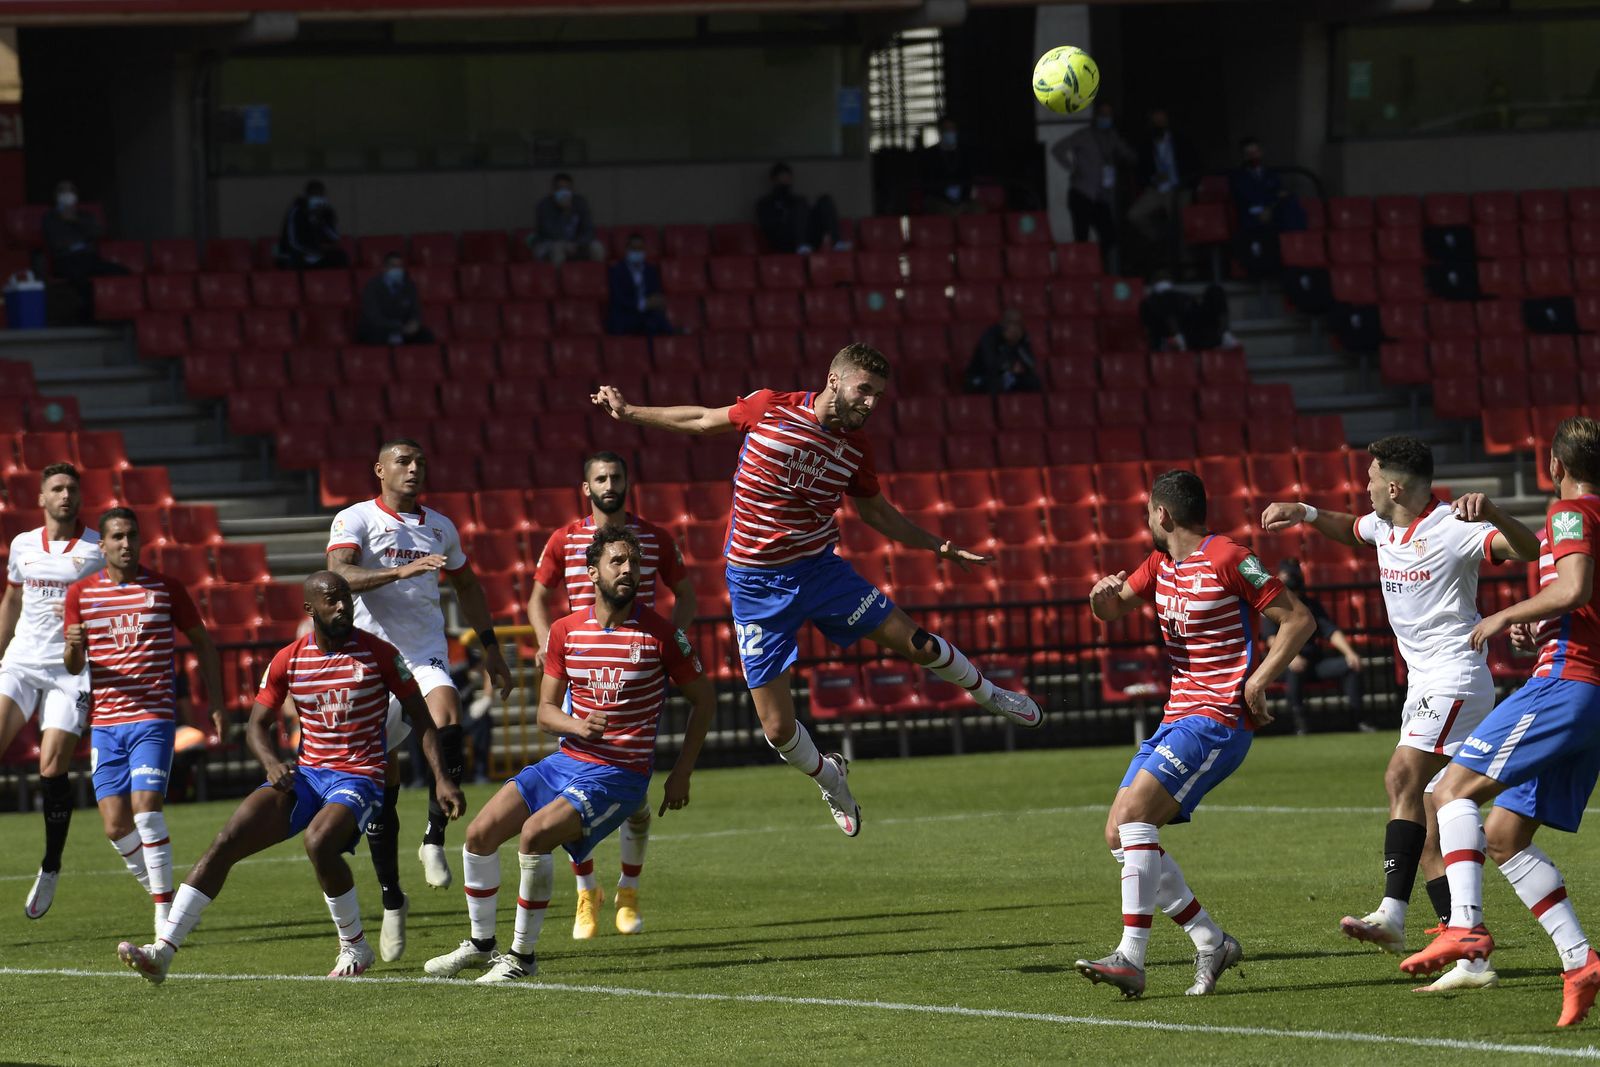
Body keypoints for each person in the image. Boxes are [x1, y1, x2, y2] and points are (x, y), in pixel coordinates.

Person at [590, 343, 1043, 838]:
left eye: (879, 396)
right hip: (755, 583)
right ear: (834, 379)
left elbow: (876, 512)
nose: (871, 403)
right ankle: (831, 777)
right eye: (864, 390)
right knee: (778, 730)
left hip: (819, 572)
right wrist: (630, 412)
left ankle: (994, 695)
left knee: (916, 643)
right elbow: (702, 419)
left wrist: (940, 546)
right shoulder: (771, 407)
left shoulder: (855, 448)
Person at [1261, 435, 1539, 993]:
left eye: (1370, 477)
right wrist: (1307, 513)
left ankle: (1393, 914)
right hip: (1425, 685)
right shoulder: (1383, 525)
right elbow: (1350, 528)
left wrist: (1496, 512)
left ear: (1394, 486)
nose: (1363, 485)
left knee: (1400, 776)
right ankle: (1468, 948)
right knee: (1438, 813)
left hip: (1456, 676)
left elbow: (1528, 549)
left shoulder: (1452, 528)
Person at [115, 571, 465, 984]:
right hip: (308, 775)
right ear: (309, 609)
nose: (342, 606)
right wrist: (270, 762)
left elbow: (423, 719)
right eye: (332, 600)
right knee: (227, 840)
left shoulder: (380, 654)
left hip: (360, 776)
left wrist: (441, 778)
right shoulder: (290, 658)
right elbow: (255, 726)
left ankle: (353, 946)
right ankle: (163, 951)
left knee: (318, 842)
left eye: (346, 599)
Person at [424, 527, 715, 983]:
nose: (628, 570)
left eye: (634, 564)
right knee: (479, 834)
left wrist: (682, 774)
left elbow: (706, 701)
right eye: (617, 562)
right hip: (566, 761)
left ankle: (522, 958)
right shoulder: (565, 631)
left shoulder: (661, 634)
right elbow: (544, 712)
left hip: (619, 773)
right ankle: (482, 946)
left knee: (535, 835)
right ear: (592, 571)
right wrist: (576, 724)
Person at [1399, 417, 1600, 1027]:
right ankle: (1580, 961)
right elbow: (1577, 598)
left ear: (1554, 465)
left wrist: (1500, 615)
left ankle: (1463, 929)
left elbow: (1572, 587)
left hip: (1564, 685)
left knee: (1448, 790)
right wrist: (1539, 623)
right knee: (1505, 836)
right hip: (1586, 693)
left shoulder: (1571, 516)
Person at [1083, 472, 1313, 999]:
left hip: (1217, 721)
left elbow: (1297, 621)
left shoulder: (1231, 558)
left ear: (1162, 515)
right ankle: (1211, 940)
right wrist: (1100, 597)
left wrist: (1258, 679)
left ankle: (1131, 958)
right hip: (1177, 717)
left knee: (1136, 818)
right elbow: (1113, 609)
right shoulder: (1158, 564)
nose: (1147, 520)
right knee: (1119, 834)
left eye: (1147, 512)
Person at [326, 438, 512, 961]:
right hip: (369, 661)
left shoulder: (441, 526)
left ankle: (433, 838)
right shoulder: (356, 519)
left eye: (420, 462)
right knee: (381, 781)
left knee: (446, 709)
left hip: (423, 652)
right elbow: (340, 575)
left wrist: (492, 649)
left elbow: (469, 587)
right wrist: (399, 571)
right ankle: (391, 899)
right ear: (379, 468)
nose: (413, 469)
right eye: (403, 462)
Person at [526, 450, 695, 938]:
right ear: (586, 487)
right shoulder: (564, 538)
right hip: (582, 679)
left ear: (627, 481)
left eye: (616, 475)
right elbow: (538, 596)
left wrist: (672, 644)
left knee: (635, 801)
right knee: (571, 793)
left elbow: (686, 595)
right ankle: (585, 891)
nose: (609, 483)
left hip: (632, 677)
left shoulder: (655, 537)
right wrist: (544, 642)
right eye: (600, 477)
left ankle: (628, 889)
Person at [62, 508, 223, 939]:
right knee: (115, 825)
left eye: (132, 535)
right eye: (117, 536)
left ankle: (162, 918)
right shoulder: (80, 594)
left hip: (153, 718)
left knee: (146, 811)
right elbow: (74, 664)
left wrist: (218, 703)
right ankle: (167, 898)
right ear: (103, 544)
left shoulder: (166, 589)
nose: (126, 543)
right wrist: (74, 648)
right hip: (105, 722)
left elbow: (204, 644)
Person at [0, 464, 105, 919]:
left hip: (70, 670)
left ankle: (51, 865)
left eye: (72, 489)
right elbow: (11, 601)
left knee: (51, 763)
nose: (65, 495)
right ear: (41, 498)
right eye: (57, 489)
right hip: (22, 662)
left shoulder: (99, 547)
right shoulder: (22, 545)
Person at [1260, 558, 1365, 736]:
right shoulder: (1274, 605)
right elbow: (1271, 640)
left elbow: (1330, 631)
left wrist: (1350, 653)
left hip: (1313, 663)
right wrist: (1290, 657)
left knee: (1350, 666)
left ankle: (1359, 719)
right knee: (1295, 668)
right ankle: (1300, 723)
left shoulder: (1310, 605)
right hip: (1285, 664)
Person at [1050, 102, 1136, 271]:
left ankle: (1101, 267)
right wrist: (1072, 167)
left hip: (1101, 196)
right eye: (1103, 115)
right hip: (1082, 193)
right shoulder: (1083, 135)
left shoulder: (1112, 137)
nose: (1106, 118)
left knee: (1109, 236)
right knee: (1081, 237)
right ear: (1096, 117)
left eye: (1109, 115)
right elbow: (1058, 148)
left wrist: (1130, 157)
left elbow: (1129, 154)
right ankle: (1083, 274)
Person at [1126, 109, 1196, 276]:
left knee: (1183, 223)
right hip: (1157, 189)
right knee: (1135, 215)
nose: (1159, 123)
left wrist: (1187, 183)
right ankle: (1161, 240)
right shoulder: (1145, 143)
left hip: (1180, 188)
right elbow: (1140, 169)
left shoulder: (1181, 140)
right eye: (1155, 120)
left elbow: (1194, 164)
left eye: (1161, 120)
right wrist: (1152, 179)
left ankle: (1188, 266)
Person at [41, 180, 127, 312]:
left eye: (70, 191)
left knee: (120, 272)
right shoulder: (50, 217)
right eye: (62, 191)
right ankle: (90, 312)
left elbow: (98, 232)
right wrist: (76, 235)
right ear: (56, 195)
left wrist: (75, 220)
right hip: (65, 260)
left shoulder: (85, 215)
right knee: (81, 278)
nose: (67, 194)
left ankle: (118, 310)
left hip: (88, 257)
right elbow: (57, 242)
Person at [1228, 137, 1305, 279]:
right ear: (1243, 156)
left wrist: (1270, 205)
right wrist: (1264, 206)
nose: (1253, 156)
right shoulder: (1237, 177)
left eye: (1255, 152)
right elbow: (1245, 198)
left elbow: (1278, 193)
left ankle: (1297, 253)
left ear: (1261, 152)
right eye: (1248, 153)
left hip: (1273, 213)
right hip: (1252, 218)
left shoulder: (1271, 174)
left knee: (1291, 206)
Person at [756, 162, 844, 255]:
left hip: (809, 238)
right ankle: (800, 244)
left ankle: (836, 242)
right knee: (800, 205)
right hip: (785, 241)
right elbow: (768, 227)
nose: (786, 180)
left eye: (788, 177)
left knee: (825, 200)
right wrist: (786, 218)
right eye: (782, 177)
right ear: (774, 180)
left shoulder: (797, 200)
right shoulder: (765, 203)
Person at [1138, 279, 1237, 352]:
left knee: (1216, 290)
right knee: (1166, 300)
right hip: (1175, 342)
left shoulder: (1186, 301)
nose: (1172, 296)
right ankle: (1177, 338)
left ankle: (1225, 335)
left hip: (1202, 334)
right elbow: (1149, 334)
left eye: (1171, 293)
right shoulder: (1150, 307)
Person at [356, 253, 433, 347]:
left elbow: (415, 310)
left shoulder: (409, 286)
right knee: (374, 337)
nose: (397, 269)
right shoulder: (372, 286)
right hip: (379, 329)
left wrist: (415, 322)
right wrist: (398, 327)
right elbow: (373, 317)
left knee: (426, 337)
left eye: (400, 266)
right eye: (393, 266)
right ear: (384, 268)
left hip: (404, 329)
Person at [530, 173, 606, 267]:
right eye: (560, 189)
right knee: (558, 248)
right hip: (550, 243)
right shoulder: (544, 206)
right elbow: (550, 232)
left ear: (572, 190)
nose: (564, 192)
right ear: (553, 191)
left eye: (567, 188)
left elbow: (589, 229)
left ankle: (595, 278)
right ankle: (559, 279)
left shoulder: (580, 203)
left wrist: (577, 243)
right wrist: (565, 212)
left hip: (576, 243)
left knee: (597, 247)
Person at [962, 308, 1042, 395]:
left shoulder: (1021, 337)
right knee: (995, 384)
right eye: (1011, 322)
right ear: (1003, 323)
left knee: (1033, 382)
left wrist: (1016, 345)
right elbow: (990, 366)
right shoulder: (990, 336)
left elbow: (1031, 364)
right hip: (981, 376)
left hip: (1006, 376)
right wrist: (1009, 351)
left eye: (1018, 323)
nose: (1015, 327)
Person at [606, 234, 672, 337]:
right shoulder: (617, 271)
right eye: (634, 249)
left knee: (657, 321)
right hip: (626, 315)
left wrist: (656, 300)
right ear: (627, 249)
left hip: (646, 315)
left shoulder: (651, 270)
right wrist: (642, 304)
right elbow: (618, 298)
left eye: (640, 249)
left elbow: (655, 292)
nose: (637, 252)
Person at [276, 180, 348, 270]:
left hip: (318, 254)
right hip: (296, 254)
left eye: (320, 195)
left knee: (341, 257)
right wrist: (313, 250)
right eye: (314, 195)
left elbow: (335, 237)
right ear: (307, 196)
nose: (318, 198)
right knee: (296, 262)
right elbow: (292, 242)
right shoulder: (296, 211)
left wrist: (321, 221)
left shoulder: (327, 212)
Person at [919, 116, 977, 215]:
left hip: (963, 199)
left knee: (978, 210)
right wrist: (945, 193)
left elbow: (969, 178)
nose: (950, 132)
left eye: (952, 129)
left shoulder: (965, 153)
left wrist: (962, 198)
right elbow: (927, 182)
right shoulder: (929, 155)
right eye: (947, 129)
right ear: (940, 132)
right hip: (937, 199)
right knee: (949, 211)